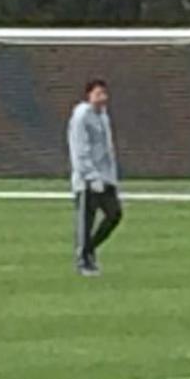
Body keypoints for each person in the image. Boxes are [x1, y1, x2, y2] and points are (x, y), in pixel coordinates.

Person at [68, 78, 123, 277]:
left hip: (105, 178)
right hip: (87, 181)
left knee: (114, 214)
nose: (102, 98)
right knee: (86, 221)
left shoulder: (103, 116)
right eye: (98, 94)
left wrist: (110, 178)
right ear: (89, 95)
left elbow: (107, 150)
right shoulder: (82, 116)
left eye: (104, 94)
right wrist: (90, 177)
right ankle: (83, 261)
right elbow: (79, 149)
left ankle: (90, 248)